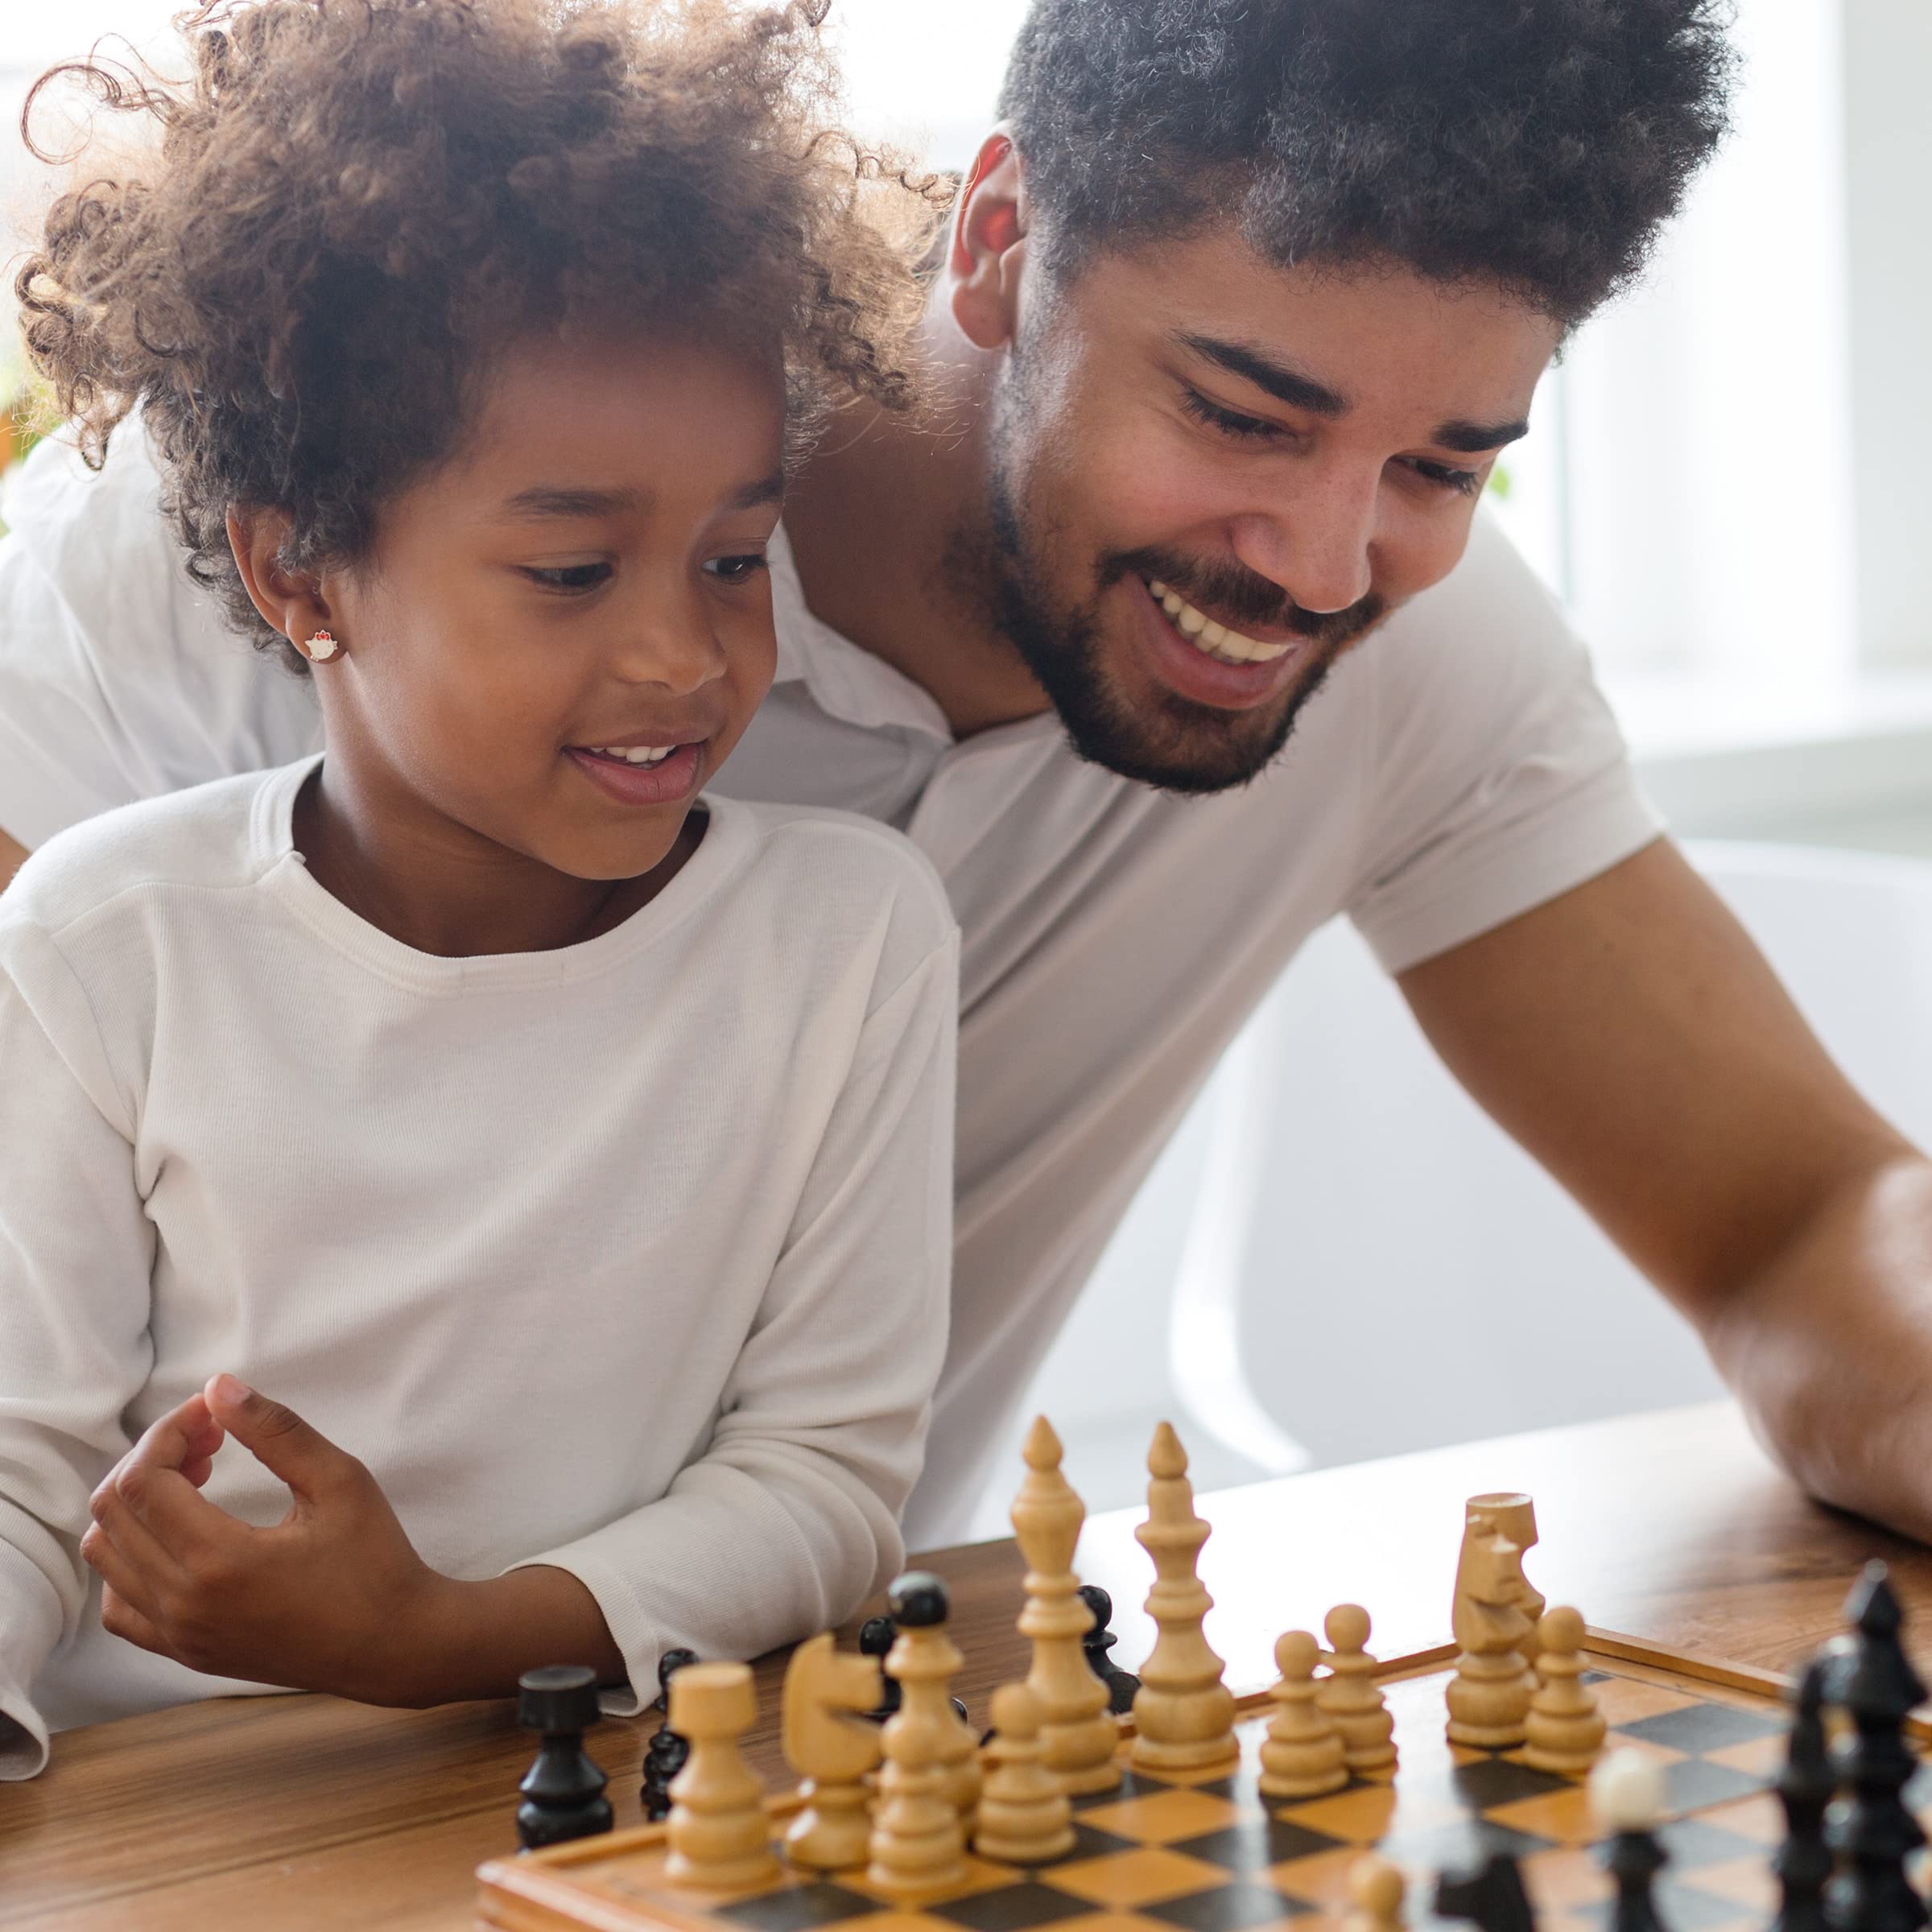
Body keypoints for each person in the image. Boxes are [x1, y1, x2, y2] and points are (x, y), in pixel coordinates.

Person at [5, 0, 1927, 1553]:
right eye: (1245, 414)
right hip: (159, 1777)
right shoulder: (335, 503)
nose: (1332, 566)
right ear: (1000, 240)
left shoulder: (1413, 660)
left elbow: (1801, 1223)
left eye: (1447, 464)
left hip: (776, 1763)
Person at [0, 0, 960, 1780]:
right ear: (303, 573)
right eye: (574, 567)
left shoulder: (851, 939)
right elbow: (11, 1467)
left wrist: (444, 1640)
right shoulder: (97, 941)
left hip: (600, 1794)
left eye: (736, 559)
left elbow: (827, 1486)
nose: (685, 653)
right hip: (177, 1809)